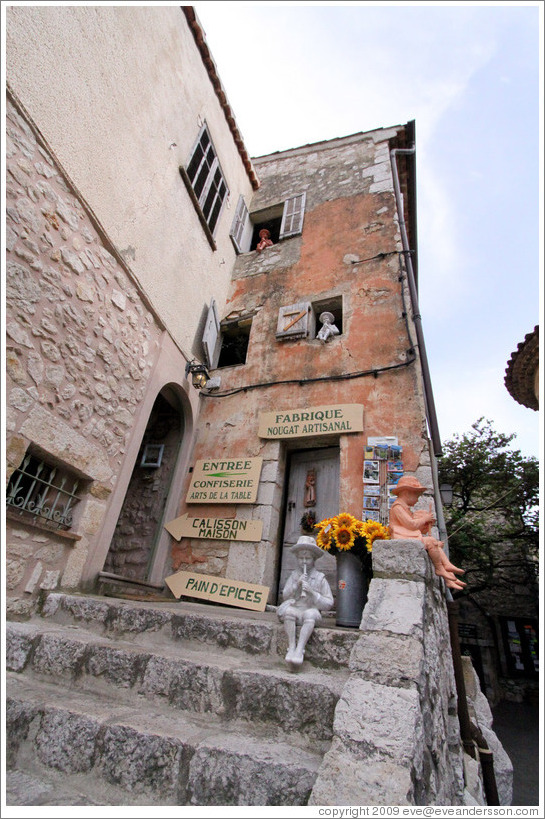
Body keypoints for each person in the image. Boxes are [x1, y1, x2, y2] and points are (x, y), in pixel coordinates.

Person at [389, 476, 466, 591]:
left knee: (436, 544)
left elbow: (415, 529)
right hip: (400, 536)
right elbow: (411, 525)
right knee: (431, 542)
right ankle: (441, 568)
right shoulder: (397, 507)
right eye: (416, 495)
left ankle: (449, 575)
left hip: (407, 535)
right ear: (406, 492)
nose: (418, 499)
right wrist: (424, 519)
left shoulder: (405, 508)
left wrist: (425, 524)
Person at [277, 536, 334, 668]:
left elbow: (329, 603)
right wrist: (296, 586)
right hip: (297, 609)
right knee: (289, 612)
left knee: (310, 615)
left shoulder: (319, 578)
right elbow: (285, 595)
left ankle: (300, 649)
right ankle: (291, 647)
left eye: (307, 558)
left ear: (314, 559)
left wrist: (313, 594)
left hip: (311, 611)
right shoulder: (295, 575)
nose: (304, 562)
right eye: (300, 558)